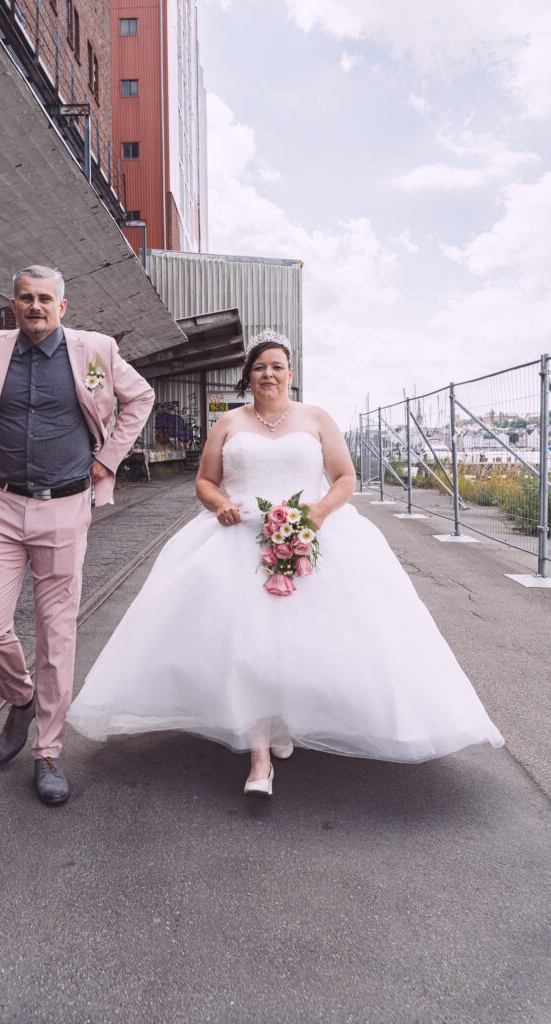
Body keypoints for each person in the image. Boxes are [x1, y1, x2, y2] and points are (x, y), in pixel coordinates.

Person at [67, 329, 503, 797]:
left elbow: (344, 476)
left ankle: (283, 723)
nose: (268, 374)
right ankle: (259, 756)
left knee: (306, 643)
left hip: (310, 533)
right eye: (259, 367)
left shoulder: (316, 418)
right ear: (247, 377)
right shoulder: (229, 423)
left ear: (290, 374)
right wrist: (220, 506)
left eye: (277, 366)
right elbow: (205, 481)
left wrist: (316, 514)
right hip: (239, 539)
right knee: (248, 645)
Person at [0, 265, 154, 804]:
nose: (35, 306)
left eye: (45, 299)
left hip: (65, 509)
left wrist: (108, 460)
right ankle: (20, 700)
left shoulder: (96, 351)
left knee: (56, 635)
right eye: (25, 298)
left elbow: (140, 399)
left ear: (62, 307)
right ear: (13, 305)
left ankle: (47, 752)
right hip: (1, 504)